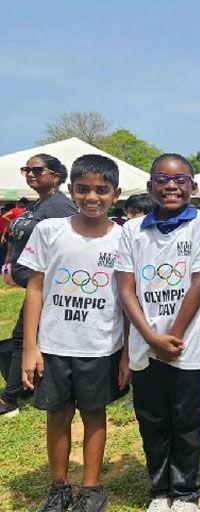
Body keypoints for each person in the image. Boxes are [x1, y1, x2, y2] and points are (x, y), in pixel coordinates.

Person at [115, 154, 200, 512]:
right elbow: (126, 289)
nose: (172, 186)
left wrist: (172, 336)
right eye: (162, 179)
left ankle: (185, 490)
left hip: (187, 345)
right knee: (152, 419)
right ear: (150, 187)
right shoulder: (132, 230)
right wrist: (150, 337)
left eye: (180, 180)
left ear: (193, 187)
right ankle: (160, 490)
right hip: (145, 346)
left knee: (188, 419)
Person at [19, 154, 129, 512]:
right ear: (71, 190)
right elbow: (35, 288)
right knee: (58, 414)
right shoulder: (50, 231)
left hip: (101, 347)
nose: (92, 197)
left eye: (102, 190)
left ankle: (92, 487)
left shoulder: (124, 239)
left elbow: (129, 299)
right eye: (83, 189)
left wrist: (126, 352)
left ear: (116, 194)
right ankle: (59, 486)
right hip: (54, 345)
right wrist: (29, 347)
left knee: (94, 413)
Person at [1, 155, 77, 418]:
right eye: (26, 170)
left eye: (37, 170)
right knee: (23, 337)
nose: (30, 174)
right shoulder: (40, 203)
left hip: (47, 287)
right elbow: (17, 237)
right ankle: (21, 387)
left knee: (25, 337)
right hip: (32, 282)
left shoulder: (59, 207)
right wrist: (10, 264)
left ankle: (10, 397)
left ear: (56, 175)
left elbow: (65, 248)